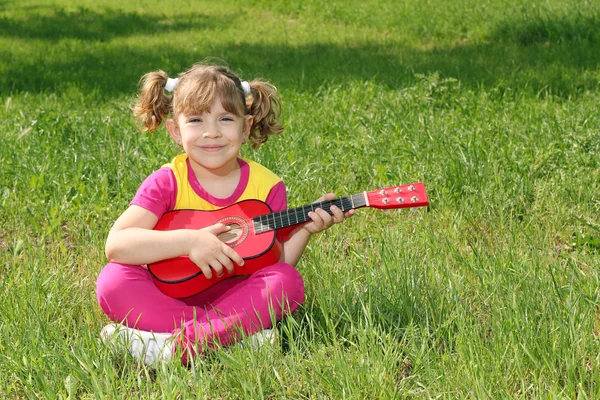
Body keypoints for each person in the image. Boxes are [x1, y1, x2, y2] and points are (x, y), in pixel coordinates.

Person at [96, 63, 354, 366]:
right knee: (113, 280)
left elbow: (276, 261)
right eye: (195, 120)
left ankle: (166, 346)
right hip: (169, 296)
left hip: (234, 299)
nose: (211, 133)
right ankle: (228, 341)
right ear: (175, 131)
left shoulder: (267, 186)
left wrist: (306, 229)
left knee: (287, 281)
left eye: (225, 119)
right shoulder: (167, 182)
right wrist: (189, 242)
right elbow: (117, 245)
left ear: (245, 128)